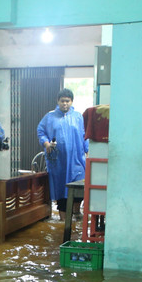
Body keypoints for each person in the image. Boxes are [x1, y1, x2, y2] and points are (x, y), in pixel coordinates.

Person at [37, 88, 89, 221]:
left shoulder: (78, 117)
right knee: (61, 189)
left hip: (76, 159)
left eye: (67, 101)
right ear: (57, 101)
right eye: (62, 101)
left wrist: (88, 150)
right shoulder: (49, 117)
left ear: (72, 101)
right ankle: (64, 222)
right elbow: (41, 131)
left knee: (79, 184)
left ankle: (76, 212)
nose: (65, 104)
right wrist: (46, 143)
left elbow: (85, 135)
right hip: (58, 161)